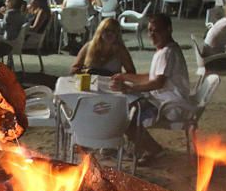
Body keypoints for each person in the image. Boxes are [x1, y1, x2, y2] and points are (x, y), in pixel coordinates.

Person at [111, 14, 191, 164]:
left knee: (126, 115)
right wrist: (125, 77)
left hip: (170, 103)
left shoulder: (168, 52)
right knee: (128, 107)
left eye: (157, 31)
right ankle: (142, 147)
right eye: (149, 31)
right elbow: (151, 77)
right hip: (163, 98)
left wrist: (130, 88)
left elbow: (157, 83)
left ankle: (152, 149)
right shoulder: (164, 50)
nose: (152, 35)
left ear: (169, 30)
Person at [71, 18, 137, 76]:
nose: (110, 34)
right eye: (106, 30)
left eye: (113, 31)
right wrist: (86, 72)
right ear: (100, 31)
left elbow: (132, 73)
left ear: (117, 35)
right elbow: (74, 70)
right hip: (90, 84)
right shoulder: (88, 46)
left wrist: (118, 77)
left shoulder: (121, 50)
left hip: (111, 86)